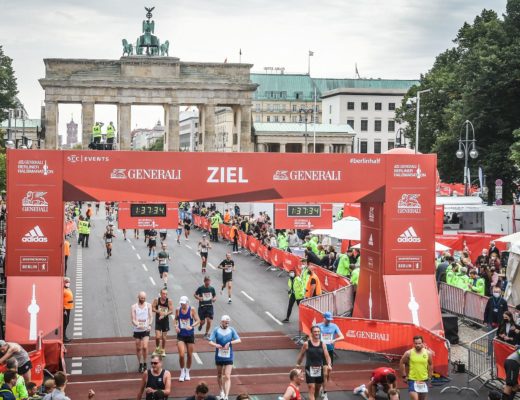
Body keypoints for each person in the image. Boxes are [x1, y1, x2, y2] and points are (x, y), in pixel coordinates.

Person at [209, 315, 241, 400]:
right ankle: (221, 392)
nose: (227, 324)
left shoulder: (231, 330)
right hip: (219, 356)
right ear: (222, 321)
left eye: (228, 323)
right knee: (219, 374)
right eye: (226, 323)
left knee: (227, 375)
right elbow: (210, 341)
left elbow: (239, 340)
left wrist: (230, 343)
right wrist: (216, 345)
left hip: (228, 356)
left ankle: (226, 396)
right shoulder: (216, 330)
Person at [295, 325, 332, 400]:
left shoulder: (323, 344)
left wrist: (329, 364)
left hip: (319, 369)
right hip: (309, 368)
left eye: (318, 331)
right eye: (315, 331)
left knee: (317, 389)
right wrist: (298, 364)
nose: (317, 333)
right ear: (311, 333)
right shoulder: (307, 344)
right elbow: (302, 355)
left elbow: (327, 356)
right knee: (312, 387)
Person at [317, 312, 344, 399]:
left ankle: (322, 387)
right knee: (324, 373)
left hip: (330, 351)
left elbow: (342, 336)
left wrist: (334, 340)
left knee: (328, 374)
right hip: (320, 351)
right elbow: (311, 336)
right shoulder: (318, 326)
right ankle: (324, 392)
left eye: (330, 320)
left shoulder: (334, 326)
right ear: (323, 318)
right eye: (327, 319)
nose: (329, 321)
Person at [175, 296, 200, 382]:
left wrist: (192, 326)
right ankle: (182, 371)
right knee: (181, 355)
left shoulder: (192, 310)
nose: (182, 305)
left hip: (189, 335)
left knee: (189, 355)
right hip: (181, 335)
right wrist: (176, 326)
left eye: (184, 303)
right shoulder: (178, 310)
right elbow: (175, 319)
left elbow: (198, 320)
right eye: (181, 303)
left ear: (187, 303)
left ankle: (187, 371)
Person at [399, 336, 433, 400]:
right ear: (413, 343)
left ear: (422, 343)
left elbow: (430, 365)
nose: (417, 345)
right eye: (416, 343)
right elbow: (402, 362)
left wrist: (430, 377)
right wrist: (404, 376)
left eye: (419, 343)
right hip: (412, 380)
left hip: (424, 380)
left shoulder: (428, 353)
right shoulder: (408, 353)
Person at [131, 292, 152, 373]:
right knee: (138, 347)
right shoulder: (134, 307)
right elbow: (133, 319)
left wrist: (149, 325)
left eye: (144, 298)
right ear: (138, 297)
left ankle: (145, 362)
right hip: (137, 330)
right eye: (141, 298)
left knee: (145, 347)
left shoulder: (148, 305)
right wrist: (138, 324)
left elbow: (151, 317)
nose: (143, 299)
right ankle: (140, 363)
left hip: (145, 329)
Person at [152, 289, 173, 356]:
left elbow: (171, 311)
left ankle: (163, 350)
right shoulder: (156, 300)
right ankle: (157, 348)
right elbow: (152, 308)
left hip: (165, 321)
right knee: (158, 337)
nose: (165, 295)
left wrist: (164, 314)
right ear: (160, 294)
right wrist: (159, 312)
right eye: (163, 294)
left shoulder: (169, 301)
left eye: (166, 294)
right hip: (158, 321)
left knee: (164, 337)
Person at [194, 276, 217, 340]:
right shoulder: (201, 288)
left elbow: (215, 295)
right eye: (207, 281)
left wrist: (214, 299)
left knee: (209, 321)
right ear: (204, 281)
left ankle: (206, 334)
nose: (208, 282)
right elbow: (195, 294)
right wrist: (199, 298)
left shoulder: (212, 288)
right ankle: (201, 325)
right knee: (203, 322)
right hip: (202, 307)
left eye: (209, 281)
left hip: (209, 306)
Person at [63, 277, 74, 343]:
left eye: (69, 282)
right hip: (65, 309)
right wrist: (63, 310)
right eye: (67, 282)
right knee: (65, 323)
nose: (68, 283)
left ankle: (64, 336)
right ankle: (64, 337)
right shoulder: (63, 290)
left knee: (67, 322)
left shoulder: (67, 289)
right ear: (64, 282)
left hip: (68, 308)